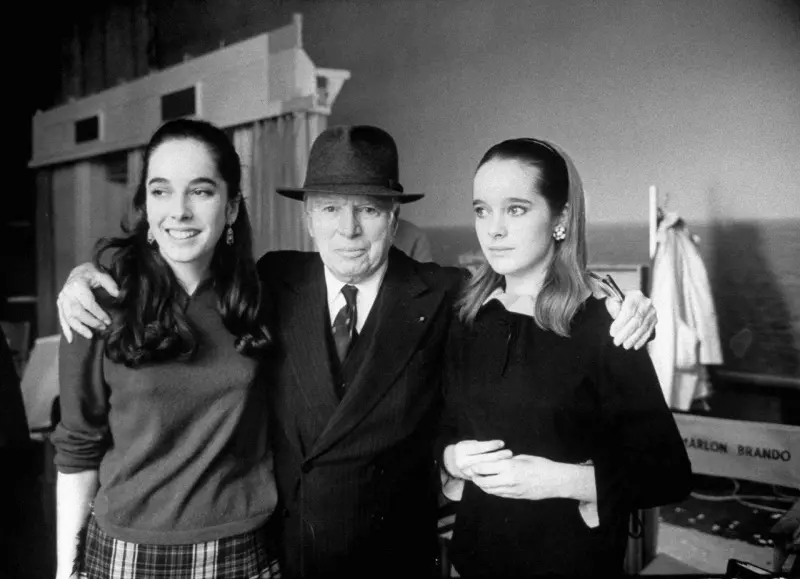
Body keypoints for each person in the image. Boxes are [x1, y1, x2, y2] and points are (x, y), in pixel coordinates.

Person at [56, 125, 658, 578]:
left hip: (392, 557)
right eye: (330, 210)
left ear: (393, 219)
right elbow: (177, 260)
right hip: (285, 553)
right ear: (309, 219)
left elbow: (527, 288)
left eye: (369, 210)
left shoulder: (443, 294)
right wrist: (87, 275)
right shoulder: (271, 282)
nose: (348, 231)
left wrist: (613, 300)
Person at [438, 138, 692, 577]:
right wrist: (452, 459)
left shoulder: (604, 324)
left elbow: (668, 472)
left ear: (562, 219)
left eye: (515, 209)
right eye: (482, 209)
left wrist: (560, 481)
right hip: (474, 560)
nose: (493, 229)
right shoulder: (466, 316)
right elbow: (440, 428)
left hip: (570, 562)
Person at [50, 118, 280, 579]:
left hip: (239, 551)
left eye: (201, 191)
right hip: (123, 552)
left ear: (232, 207)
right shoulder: (95, 304)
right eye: (160, 191)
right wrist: (63, 573)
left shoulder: (269, 297)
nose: (179, 210)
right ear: (145, 206)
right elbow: (77, 450)